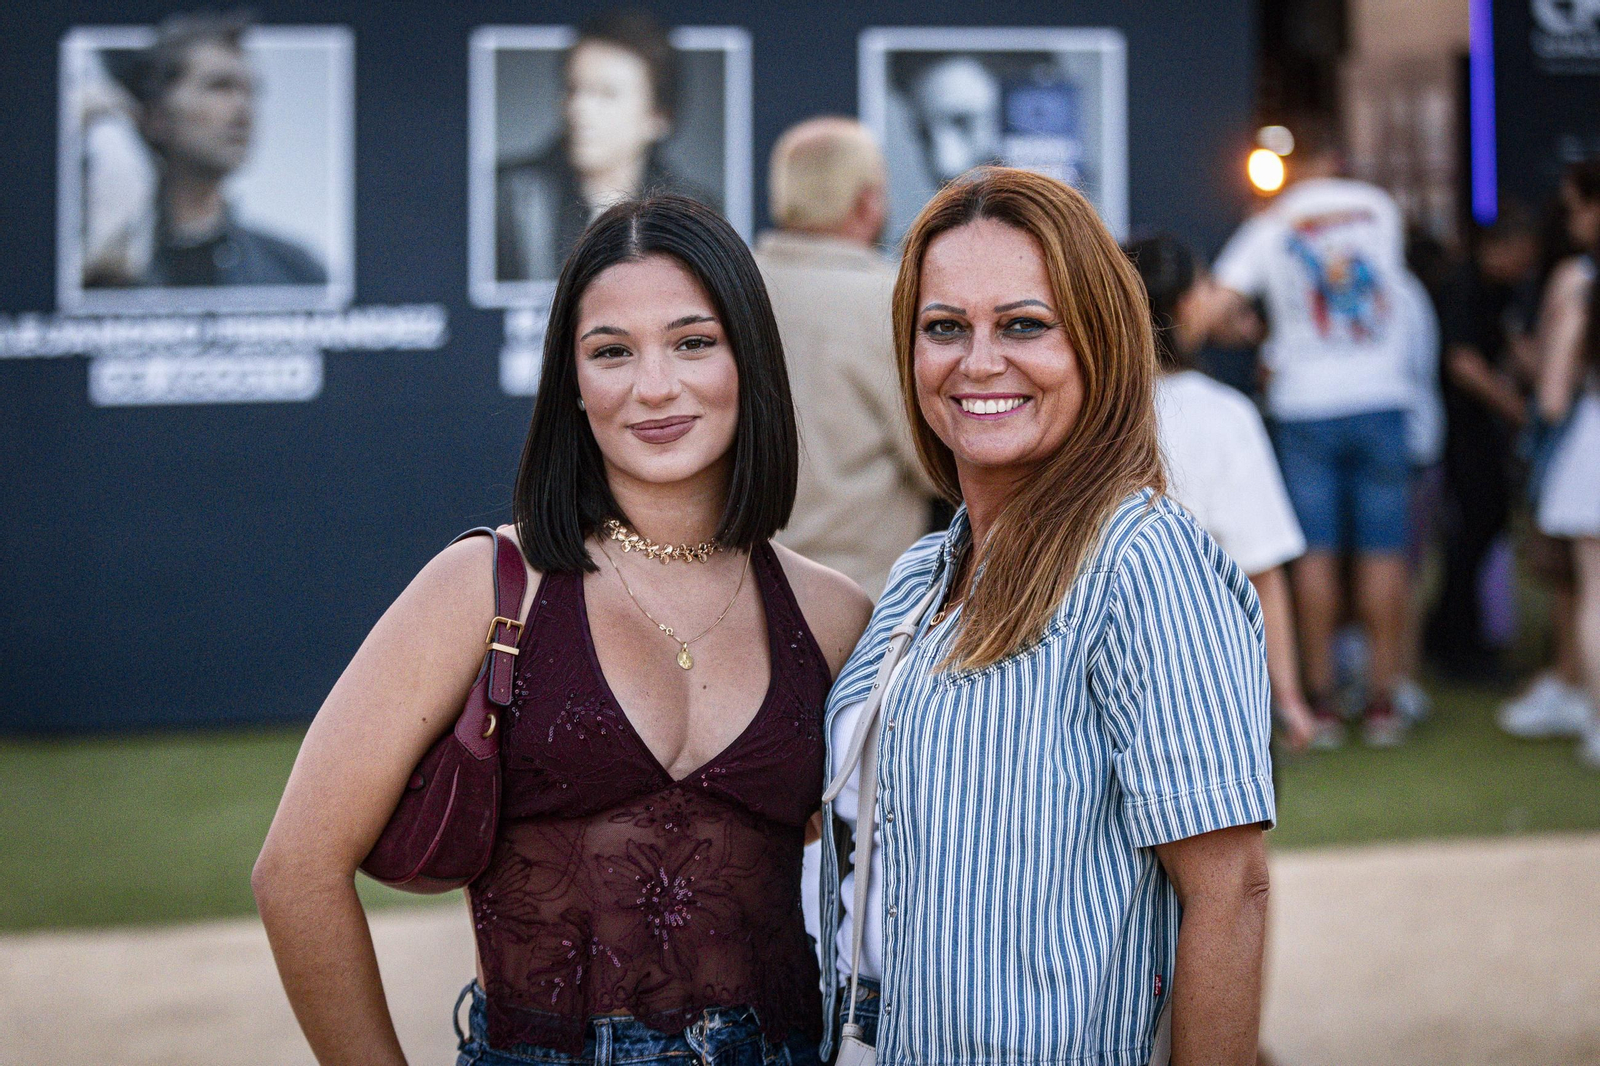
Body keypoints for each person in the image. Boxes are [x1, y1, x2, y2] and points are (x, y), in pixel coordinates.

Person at [253, 195, 873, 1065]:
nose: (654, 386)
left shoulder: (834, 614)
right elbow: (297, 870)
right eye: (611, 351)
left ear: (750, 359)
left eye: (693, 342)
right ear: (574, 384)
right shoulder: (485, 587)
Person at [820, 168, 1275, 1066]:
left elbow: (1231, 894)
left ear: (1098, 344)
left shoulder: (1143, 560)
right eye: (944, 328)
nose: (979, 361)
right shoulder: (921, 574)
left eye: (1025, 325)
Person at [1214, 116, 1415, 746]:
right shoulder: (1380, 209)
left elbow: (1213, 303)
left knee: (1315, 554)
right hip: (1382, 394)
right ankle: (1383, 702)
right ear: (1336, 155)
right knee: (1385, 553)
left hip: (1306, 404)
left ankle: (1322, 704)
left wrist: (1247, 331)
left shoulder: (1271, 223)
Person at [1125, 234, 1316, 750]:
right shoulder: (1224, 415)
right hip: (1209, 684)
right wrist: (1287, 695)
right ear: (1186, 304)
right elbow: (1261, 570)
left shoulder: (1085, 415)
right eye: (1207, 284)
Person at [755, 117, 938, 598]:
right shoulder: (890, 300)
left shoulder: (727, 288)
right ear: (868, 201)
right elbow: (937, 458)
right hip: (866, 607)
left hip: (742, 601)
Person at [106, 11, 326, 288]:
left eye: (251, 92)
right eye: (220, 87)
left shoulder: (295, 273)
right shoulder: (103, 264)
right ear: (156, 116)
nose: (243, 111)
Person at [496, 10, 714, 283]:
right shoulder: (506, 194)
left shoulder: (695, 211)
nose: (578, 110)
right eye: (573, 89)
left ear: (659, 117)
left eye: (606, 94)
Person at [1501, 161, 1600, 740]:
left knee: (1593, 593)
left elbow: (1555, 395)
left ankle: (1596, 724)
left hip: (1592, 442)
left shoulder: (1579, 280)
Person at [1424, 209, 1538, 678]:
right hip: (1460, 432)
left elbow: (1513, 346)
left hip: (1483, 434)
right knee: (1468, 533)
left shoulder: (1501, 291)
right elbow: (1462, 363)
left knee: (1484, 529)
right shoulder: (1463, 286)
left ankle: (1459, 635)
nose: (1527, 263)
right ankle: (1452, 642)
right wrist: (1519, 408)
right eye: (1522, 253)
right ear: (1499, 247)